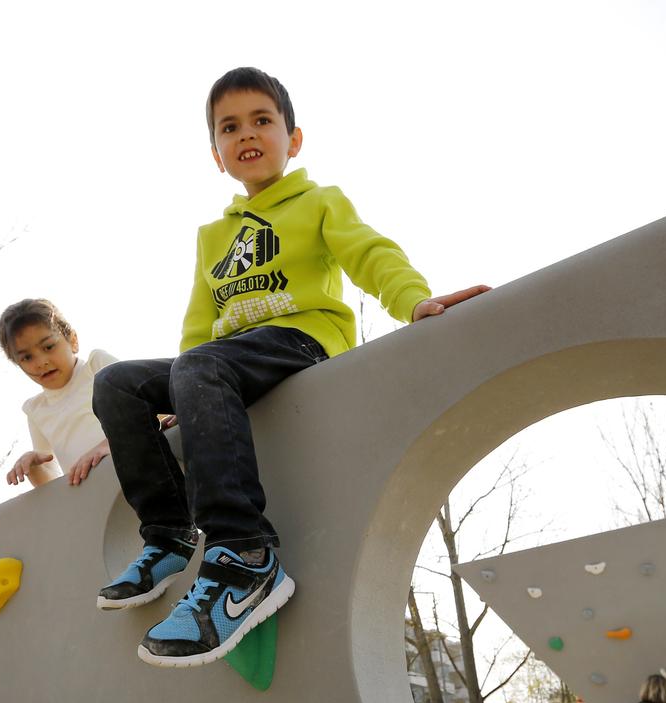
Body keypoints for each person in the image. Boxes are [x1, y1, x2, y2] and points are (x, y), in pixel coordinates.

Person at [92, 66, 489, 665]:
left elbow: (370, 253)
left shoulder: (319, 202)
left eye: (262, 120)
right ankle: (169, 535)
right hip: (221, 361)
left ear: (292, 139)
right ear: (216, 154)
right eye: (230, 127)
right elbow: (200, 322)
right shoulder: (212, 237)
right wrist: (180, 391)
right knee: (115, 384)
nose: (246, 133)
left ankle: (245, 556)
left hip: (299, 342)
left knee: (197, 365)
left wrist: (413, 301)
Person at [0, 299, 117, 489]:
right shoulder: (36, 411)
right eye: (27, 357)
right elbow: (54, 489)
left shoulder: (97, 367)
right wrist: (35, 468)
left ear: (72, 340)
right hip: (97, 502)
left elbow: (157, 410)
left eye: (48, 347)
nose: (41, 362)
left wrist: (111, 442)